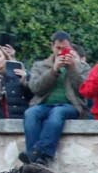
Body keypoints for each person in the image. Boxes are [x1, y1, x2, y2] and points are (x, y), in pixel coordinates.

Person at [23, 32, 89, 164]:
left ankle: (39, 152)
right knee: (30, 114)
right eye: (58, 48)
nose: (60, 52)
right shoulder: (39, 66)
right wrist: (54, 70)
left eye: (64, 49)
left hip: (70, 105)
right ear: (52, 47)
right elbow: (36, 88)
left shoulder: (83, 67)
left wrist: (72, 69)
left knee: (57, 113)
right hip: (43, 104)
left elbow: (84, 90)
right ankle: (37, 158)